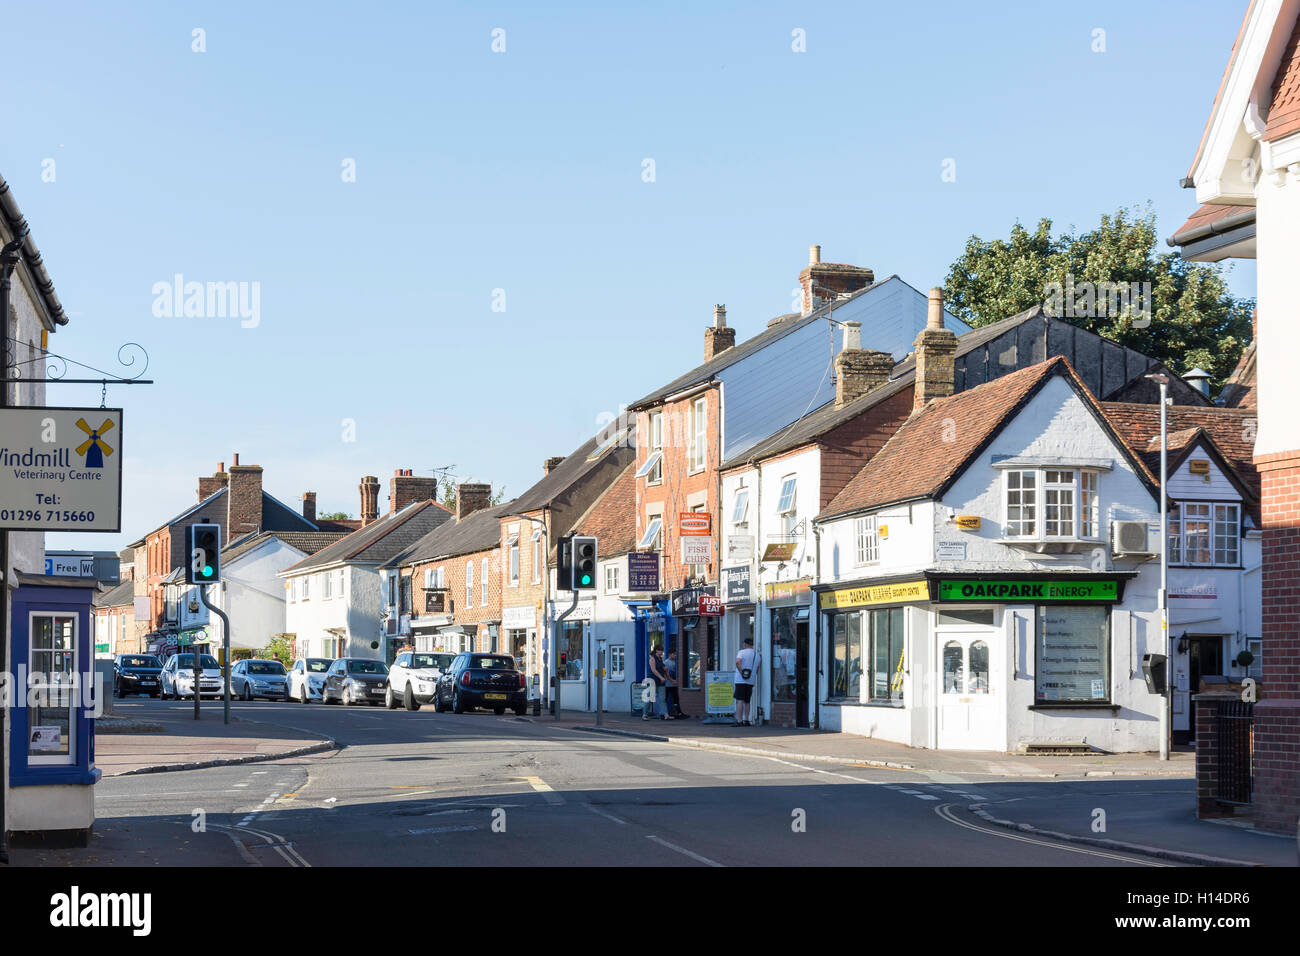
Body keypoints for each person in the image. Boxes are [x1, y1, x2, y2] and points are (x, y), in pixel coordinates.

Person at [733, 637, 760, 726]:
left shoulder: (741, 652)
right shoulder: (757, 655)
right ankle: (747, 720)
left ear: (745, 644)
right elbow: (757, 670)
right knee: (747, 701)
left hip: (740, 680)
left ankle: (739, 720)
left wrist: (741, 672)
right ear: (752, 645)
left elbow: (737, 662)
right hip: (751, 680)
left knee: (740, 700)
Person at [645, 645, 668, 720]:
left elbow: (664, 669)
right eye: (660, 650)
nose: (662, 652)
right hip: (653, 680)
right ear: (656, 650)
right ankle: (645, 714)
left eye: (662, 650)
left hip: (661, 682)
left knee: (662, 699)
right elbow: (653, 670)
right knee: (649, 698)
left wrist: (665, 669)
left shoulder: (660, 659)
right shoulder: (652, 658)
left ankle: (665, 714)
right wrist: (661, 677)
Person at [665, 648, 685, 718]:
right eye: (674, 654)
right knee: (665, 699)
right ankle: (664, 714)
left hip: (673, 685)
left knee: (676, 698)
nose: (675, 655)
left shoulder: (676, 662)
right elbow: (666, 674)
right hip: (667, 685)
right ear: (670, 654)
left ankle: (679, 713)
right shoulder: (666, 662)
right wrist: (672, 680)